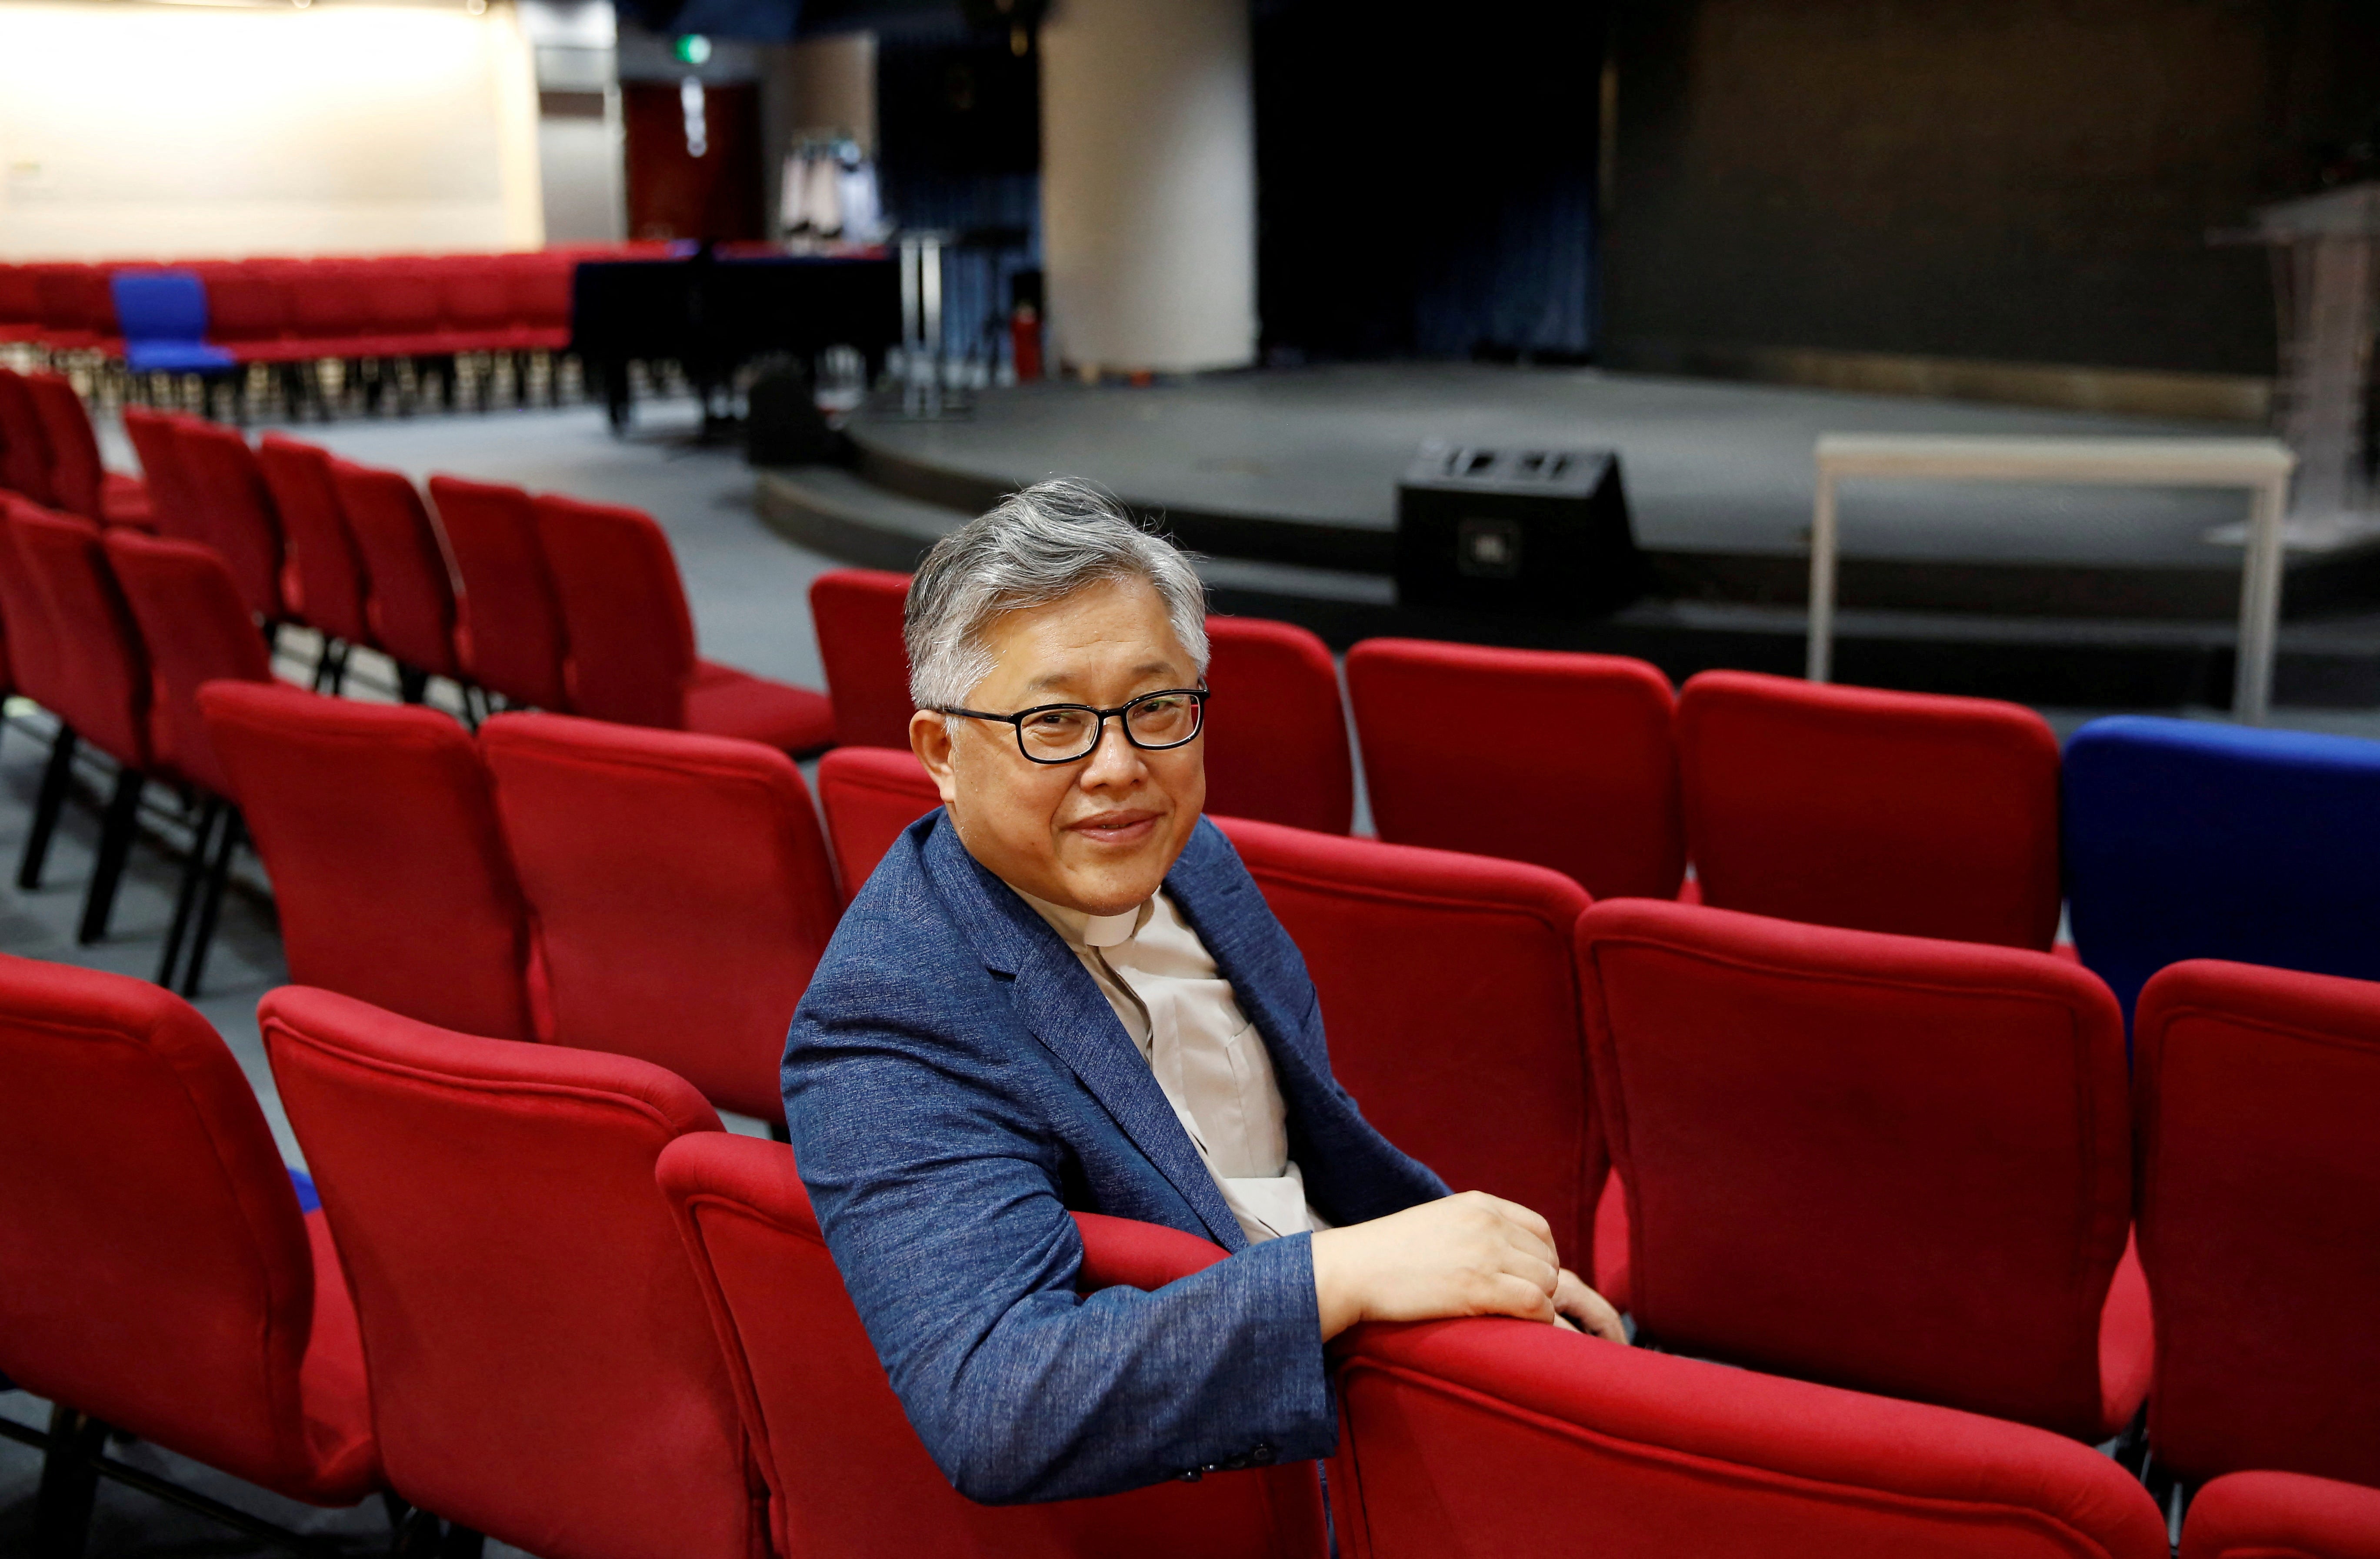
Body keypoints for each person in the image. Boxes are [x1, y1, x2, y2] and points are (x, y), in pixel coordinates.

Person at [782, 478, 1625, 1506]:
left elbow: (1311, 1150)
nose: (1120, 767)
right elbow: (995, 1400)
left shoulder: (1192, 855)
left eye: (1157, 706)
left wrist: (1488, 1275)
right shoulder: (889, 1012)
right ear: (942, 753)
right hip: (1251, 1471)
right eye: (1052, 723)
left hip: (1382, 1349)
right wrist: (1344, 1274)